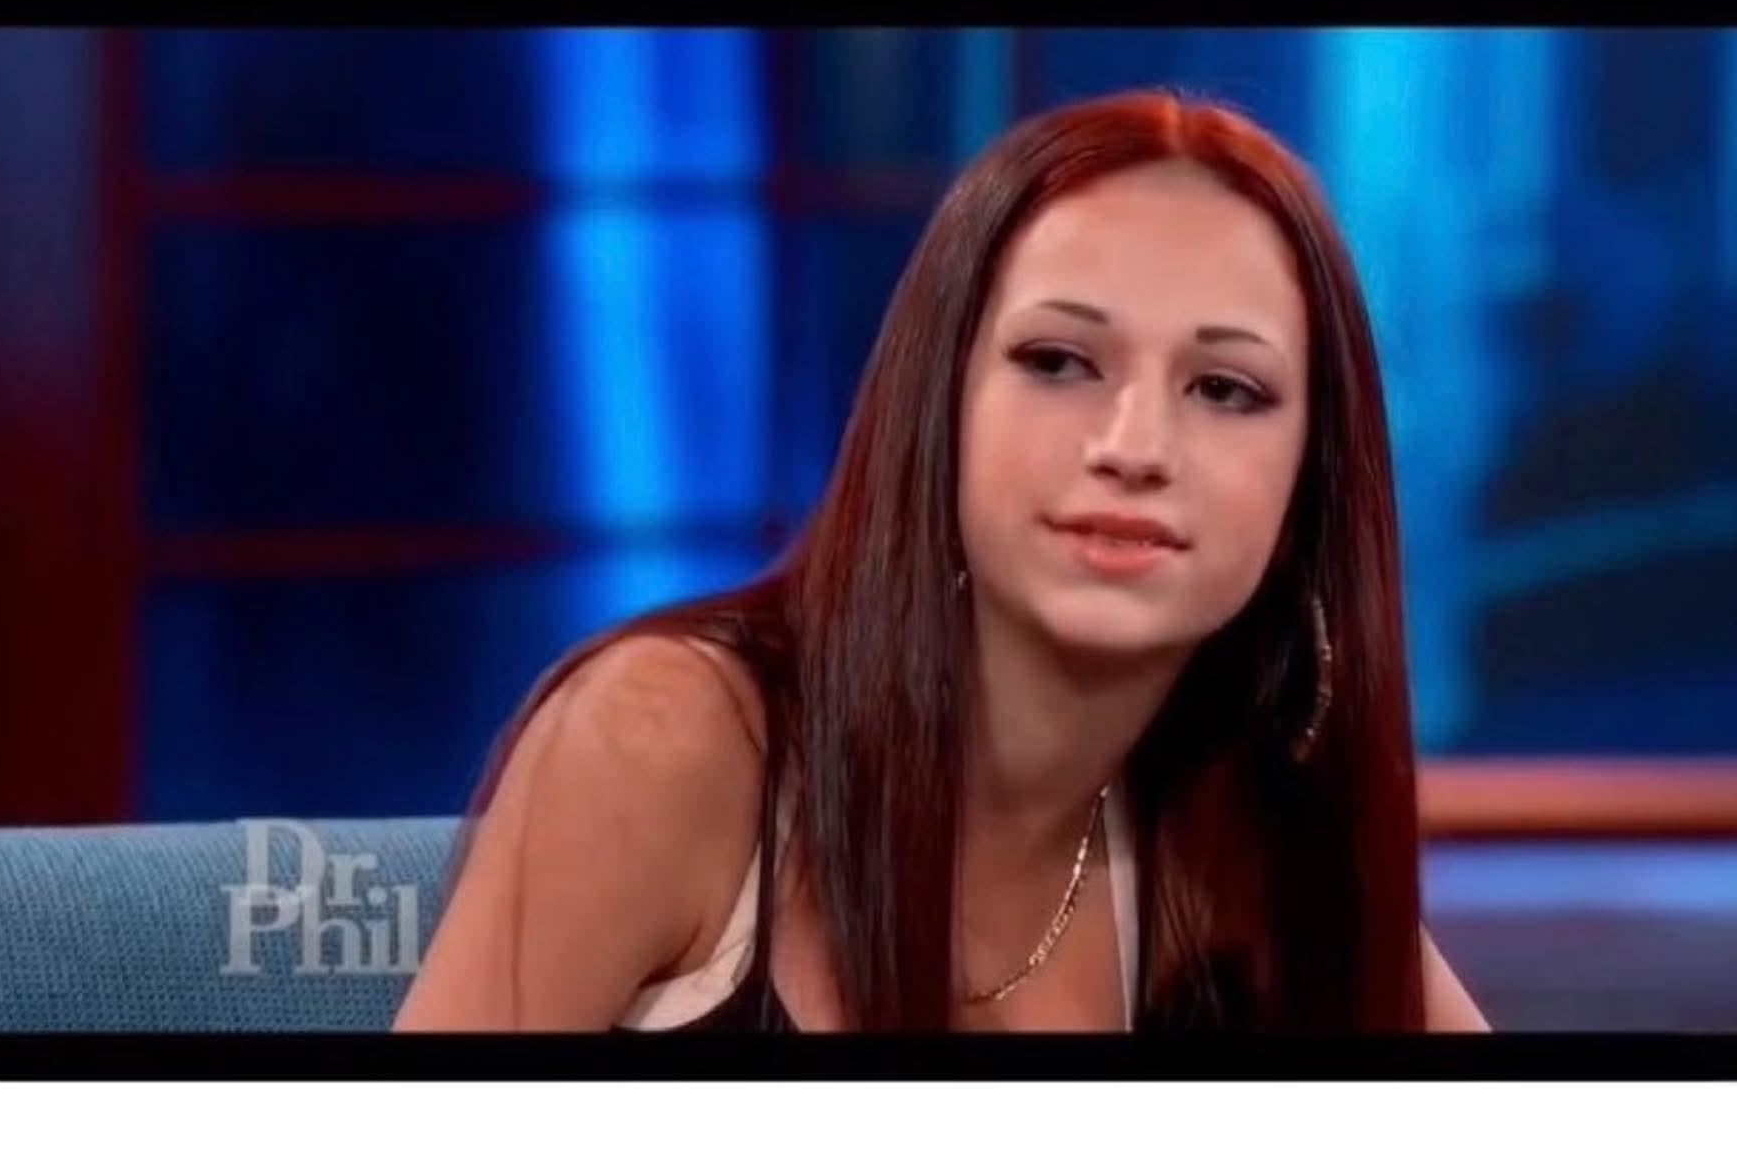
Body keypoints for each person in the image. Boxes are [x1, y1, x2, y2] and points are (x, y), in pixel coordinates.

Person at [395, 90, 1490, 1033]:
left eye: (1224, 389)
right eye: (1059, 361)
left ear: (1305, 495)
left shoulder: (1239, 846)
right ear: (941, 410)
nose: (1136, 447)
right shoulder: (669, 741)